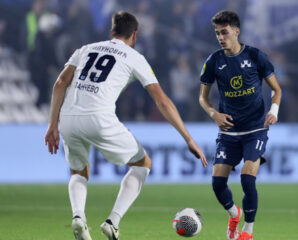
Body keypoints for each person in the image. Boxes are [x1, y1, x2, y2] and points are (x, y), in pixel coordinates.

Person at [44, 11, 207, 240]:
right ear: (134, 36)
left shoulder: (85, 49)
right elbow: (161, 100)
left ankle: (78, 217)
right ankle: (113, 222)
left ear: (111, 32)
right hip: (99, 117)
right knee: (142, 163)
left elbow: (60, 83)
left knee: (78, 170)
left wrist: (52, 124)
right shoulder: (134, 56)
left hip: (68, 117)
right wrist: (188, 138)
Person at [198, 10, 282, 240]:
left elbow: (277, 89)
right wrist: (214, 113)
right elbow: (202, 98)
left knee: (247, 179)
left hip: (255, 129)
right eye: (217, 33)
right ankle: (234, 214)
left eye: (224, 32)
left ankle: (248, 230)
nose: (220, 37)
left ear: (236, 31)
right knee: (217, 184)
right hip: (228, 131)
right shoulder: (214, 61)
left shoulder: (256, 56)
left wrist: (273, 111)